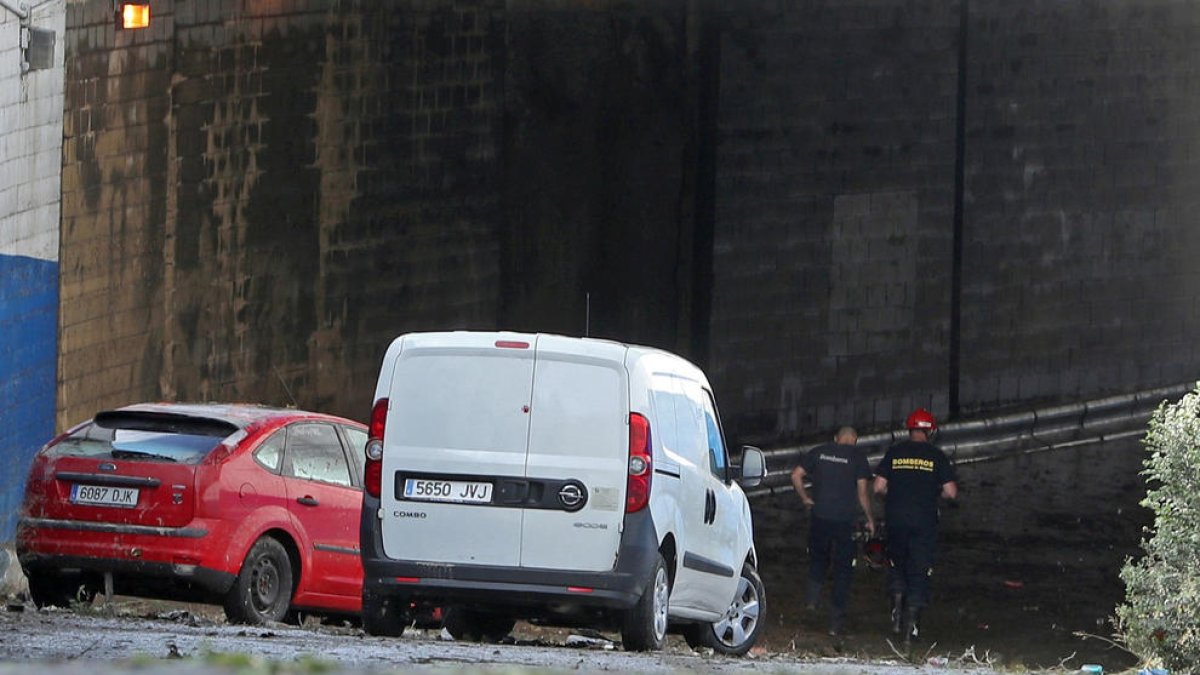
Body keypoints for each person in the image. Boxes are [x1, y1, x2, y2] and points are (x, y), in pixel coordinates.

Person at [873, 408, 958, 646]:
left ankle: (896, 611)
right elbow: (951, 491)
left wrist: (896, 496)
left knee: (897, 562)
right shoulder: (936, 455)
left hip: (896, 518)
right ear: (930, 431)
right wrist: (934, 493)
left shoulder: (895, 452)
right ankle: (912, 627)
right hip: (924, 520)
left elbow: (878, 487)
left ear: (909, 429)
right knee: (919, 570)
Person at [791, 426, 875, 636]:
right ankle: (835, 622)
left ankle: (812, 600)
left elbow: (795, 475)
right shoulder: (858, 457)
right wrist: (870, 518)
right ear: (855, 440)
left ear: (836, 438)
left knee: (819, 557)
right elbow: (863, 493)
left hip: (820, 516)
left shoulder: (819, 451)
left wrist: (805, 498)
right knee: (843, 570)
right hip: (845, 522)